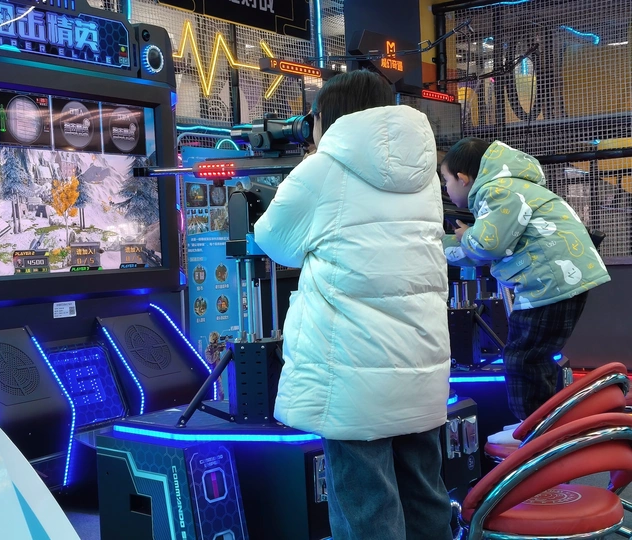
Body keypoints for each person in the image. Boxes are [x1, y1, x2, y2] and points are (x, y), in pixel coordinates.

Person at [254, 70, 452, 540]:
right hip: (420, 362)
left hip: (352, 368)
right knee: (425, 494)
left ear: (327, 116)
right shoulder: (423, 172)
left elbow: (273, 239)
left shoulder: (323, 168)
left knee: (366, 506)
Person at [440, 137, 611, 421]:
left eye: (446, 180)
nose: (446, 188)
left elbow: (487, 245)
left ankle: (533, 428)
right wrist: (440, 245)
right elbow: (483, 252)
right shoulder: (516, 187)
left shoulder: (496, 191)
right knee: (536, 357)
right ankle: (548, 421)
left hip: (548, 282)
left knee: (521, 358)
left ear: (463, 178)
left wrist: (466, 235)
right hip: (559, 280)